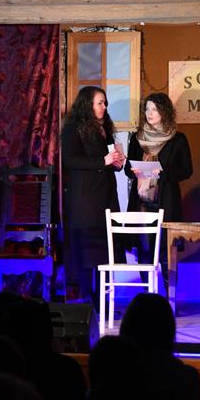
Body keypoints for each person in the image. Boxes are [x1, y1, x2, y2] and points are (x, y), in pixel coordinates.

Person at [61, 86, 125, 305]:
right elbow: (69, 160)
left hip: (105, 195)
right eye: (100, 103)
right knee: (88, 248)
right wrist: (102, 161)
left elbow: (108, 158)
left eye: (105, 103)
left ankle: (102, 298)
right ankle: (87, 298)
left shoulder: (103, 127)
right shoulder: (73, 128)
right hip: (86, 198)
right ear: (87, 104)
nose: (104, 107)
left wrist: (116, 162)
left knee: (105, 249)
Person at [124, 93, 192, 283]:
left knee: (165, 248)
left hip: (166, 199)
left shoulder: (178, 139)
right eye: (147, 109)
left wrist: (162, 173)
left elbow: (186, 170)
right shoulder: (136, 138)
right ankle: (147, 292)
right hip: (141, 200)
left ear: (164, 111)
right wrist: (134, 170)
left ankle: (170, 294)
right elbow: (128, 169)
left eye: (154, 109)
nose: (150, 113)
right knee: (144, 248)